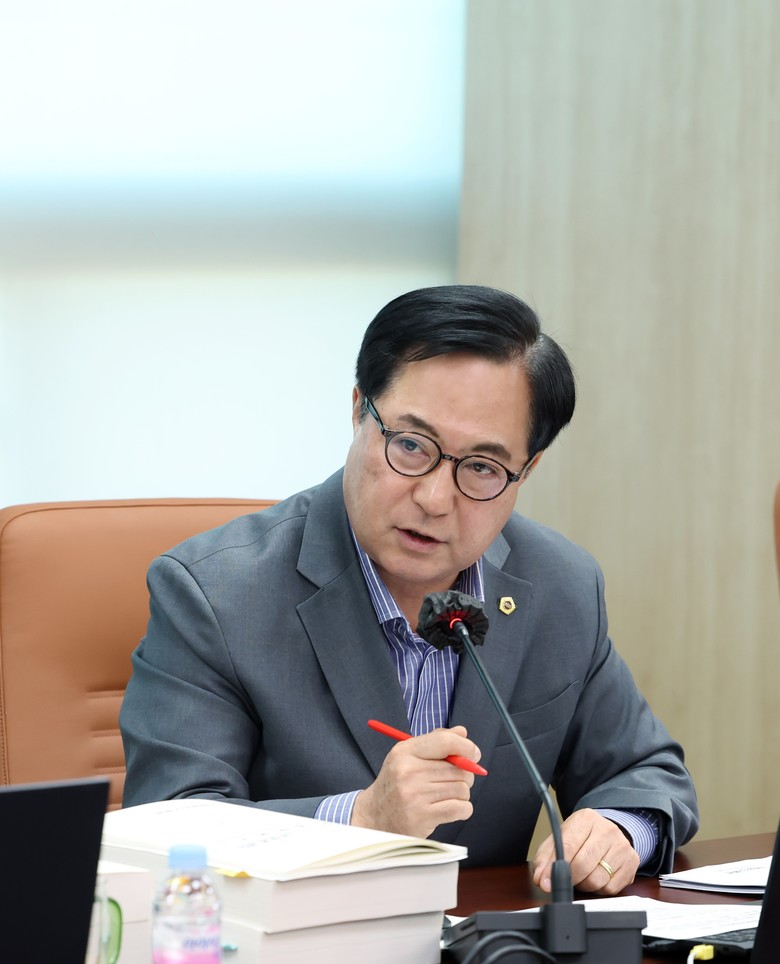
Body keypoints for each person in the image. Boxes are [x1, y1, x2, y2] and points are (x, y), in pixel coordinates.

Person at [120, 284, 698, 895]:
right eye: (412, 446)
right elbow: (168, 827)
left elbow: (647, 771)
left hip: (483, 934)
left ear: (526, 471)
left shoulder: (559, 584)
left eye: (482, 467)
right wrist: (361, 819)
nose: (434, 498)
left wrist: (617, 828)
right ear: (358, 411)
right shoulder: (215, 594)